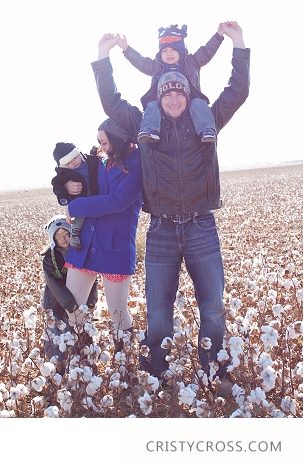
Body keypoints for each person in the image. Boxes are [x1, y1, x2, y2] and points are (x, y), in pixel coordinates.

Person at [93, 22, 249, 379]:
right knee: (158, 310)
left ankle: (214, 372)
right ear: (158, 98)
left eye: (179, 93)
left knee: (212, 307)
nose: (174, 98)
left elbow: (236, 91)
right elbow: (111, 101)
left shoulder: (205, 121)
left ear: (188, 95)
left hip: (201, 226)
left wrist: (238, 44)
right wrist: (103, 56)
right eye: (167, 94)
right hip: (161, 229)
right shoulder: (143, 127)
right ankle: (155, 375)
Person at [62, 118, 142, 350]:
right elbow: (73, 175)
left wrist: (75, 208)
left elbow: (118, 201)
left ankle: (125, 363)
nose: (102, 147)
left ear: (119, 139)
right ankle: (83, 363)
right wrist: (67, 188)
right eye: (99, 142)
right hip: (84, 243)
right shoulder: (98, 161)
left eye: (105, 142)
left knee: (117, 312)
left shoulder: (138, 162)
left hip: (115, 246)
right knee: (74, 310)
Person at [117, 24, 224, 143]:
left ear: (181, 51)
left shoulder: (191, 63)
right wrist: (126, 49)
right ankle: (150, 130)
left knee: (198, 102)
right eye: (165, 50)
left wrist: (218, 36)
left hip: (188, 101)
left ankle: (207, 129)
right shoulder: (156, 66)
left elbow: (206, 52)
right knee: (152, 105)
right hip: (165, 104)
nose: (169, 53)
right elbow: (140, 61)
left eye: (173, 49)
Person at [40, 215, 98, 367]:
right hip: (56, 304)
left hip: (79, 303)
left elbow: (91, 278)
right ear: (53, 238)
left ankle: (87, 365)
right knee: (57, 337)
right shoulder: (49, 258)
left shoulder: (81, 251)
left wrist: (90, 303)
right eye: (58, 236)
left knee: (82, 332)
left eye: (66, 234)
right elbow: (53, 284)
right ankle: (57, 369)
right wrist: (70, 305)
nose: (63, 239)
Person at [50, 142, 99, 250]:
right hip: (80, 199)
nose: (73, 163)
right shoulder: (64, 173)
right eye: (68, 163)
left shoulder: (91, 161)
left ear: (79, 153)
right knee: (80, 217)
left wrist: (96, 151)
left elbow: (100, 160)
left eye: (74, 158)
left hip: (97, 196)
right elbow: (56, 184)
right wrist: (64, 192)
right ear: (63, 165)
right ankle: (74, 235)